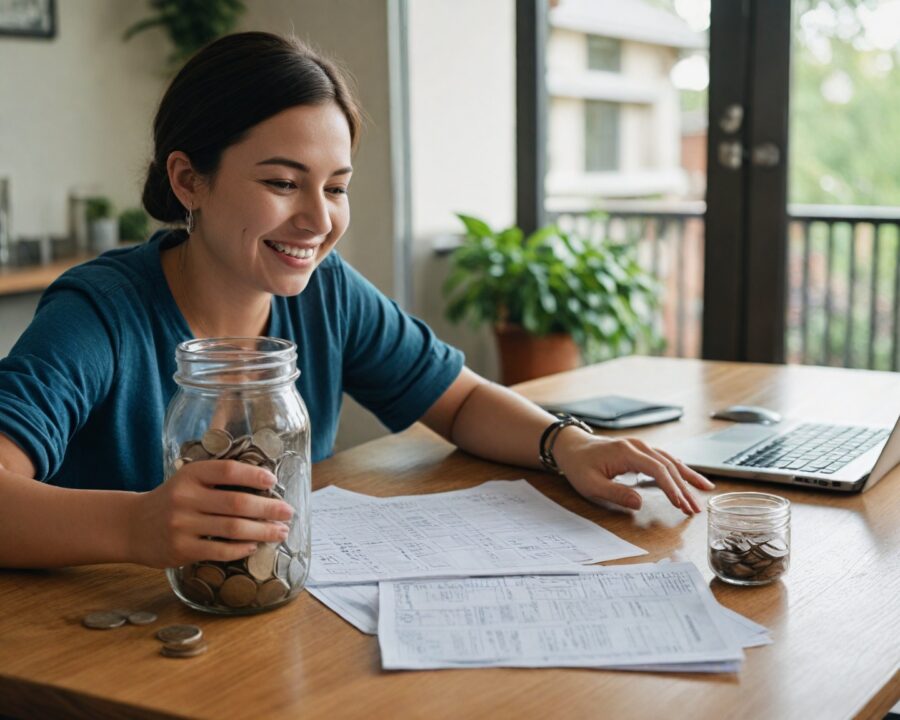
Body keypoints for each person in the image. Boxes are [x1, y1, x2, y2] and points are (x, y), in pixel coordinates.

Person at [0, 32, 712, 571]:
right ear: (189, 180)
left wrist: (569, 445)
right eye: (283, 183)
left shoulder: (327, 292)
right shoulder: (100, 315)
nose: (318, 221)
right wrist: (135, 529)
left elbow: (457, 401)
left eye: (335, 187)